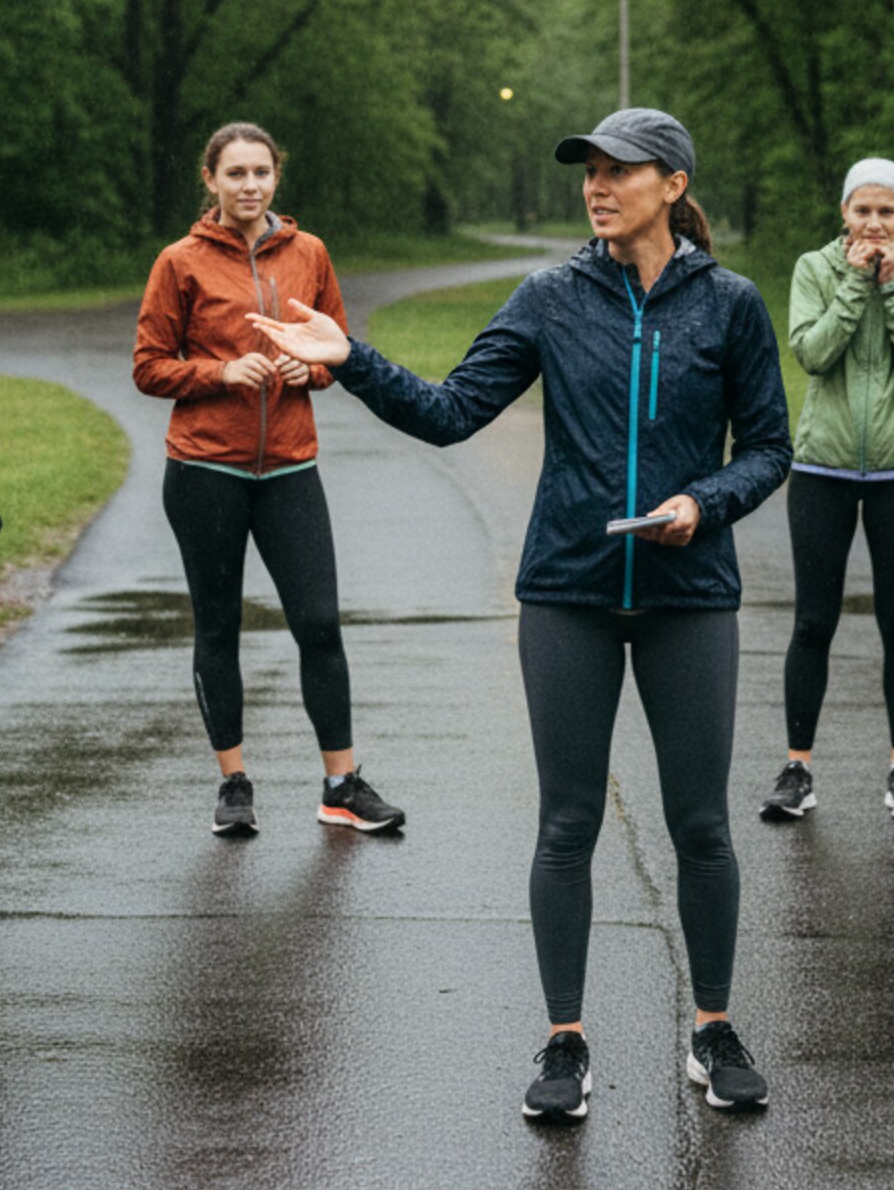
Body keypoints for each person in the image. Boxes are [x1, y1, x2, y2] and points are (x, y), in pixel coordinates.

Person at [253, 108, 791, 1120]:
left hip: (688, 594)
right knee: (568, 820)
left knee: (701, 823)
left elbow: (768, 447)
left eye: (619, 169)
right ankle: (563, 1040)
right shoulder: (551, 295)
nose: (596, 184)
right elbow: (452, 409)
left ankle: (711, 1026)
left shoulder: (730, 305)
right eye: (588, 169)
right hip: (567, 592)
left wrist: (700, 504)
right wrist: (347, 357)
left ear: (672, 183)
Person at [133, 121, 401, 837]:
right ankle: (233, 783)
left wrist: (305, 368)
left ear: (276, 177)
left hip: (289, 468)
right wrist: (221, 372)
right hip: (203, 472)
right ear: (211, 180)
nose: (250, 186)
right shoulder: (180, 262)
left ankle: (341, 783)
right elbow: (149, 366)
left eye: (261, 173)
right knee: (218, 626)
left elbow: (336, 351)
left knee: (318, 623)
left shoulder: (308, 253)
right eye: (236, 174)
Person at [763, 157, 894, 823]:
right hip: (823, 467)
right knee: (813, 620)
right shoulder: (815, 269)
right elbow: (812, 352)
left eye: (886, 211)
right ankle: (797, 770)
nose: (874, 225)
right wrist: (853, 283)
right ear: (844, 214)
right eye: (861, 211)